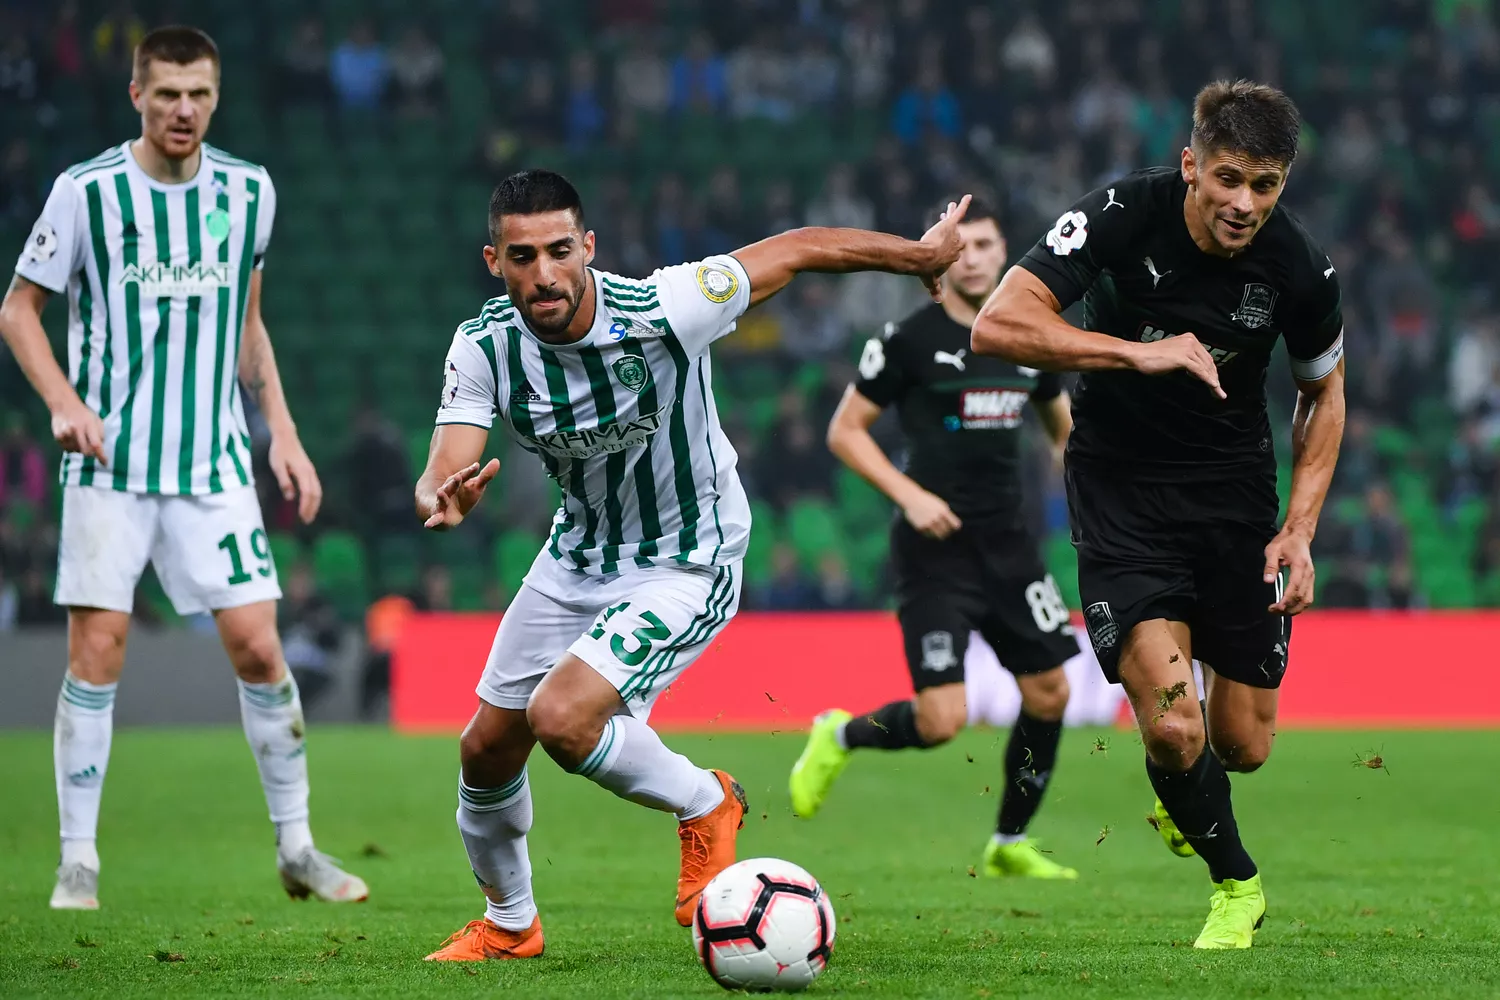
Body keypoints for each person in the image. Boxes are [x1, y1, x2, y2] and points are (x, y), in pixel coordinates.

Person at [416, 169, 967, 961]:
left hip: (687, 557)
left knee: (562, 719)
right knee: (483, 751)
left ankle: (707, 801)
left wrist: (916, 257)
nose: (544, 273)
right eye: (523, 256)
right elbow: (446, 463)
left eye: (560, 250)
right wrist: (443, 494)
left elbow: (801, 247)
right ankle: (510, 925)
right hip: (575, 556)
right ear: (493, 261)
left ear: (588, 247)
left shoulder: (667, 307)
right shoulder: (486, 346)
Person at [971, 80, 1346, 948]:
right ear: (1190, 166)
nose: (1243, 203)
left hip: (1234, 500)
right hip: (1121, 496)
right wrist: (1132, 355)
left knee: (1242, 746)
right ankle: (1237, 886)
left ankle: (1183, 790)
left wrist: (1299, 528)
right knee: (1177, 727)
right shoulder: (1118, 216)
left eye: (1264, 185)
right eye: (1227, 179)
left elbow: (1324, 393)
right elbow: (999, 324)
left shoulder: (1300, 267)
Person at [0, 26, 365, 910]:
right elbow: (17, 311)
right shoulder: (85, 192)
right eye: (166, 93)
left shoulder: (249, 192)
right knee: (98, 654)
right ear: (137, 95)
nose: (183, 109)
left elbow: (249, 323)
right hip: (111, 468)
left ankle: (297, 849)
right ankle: (78, 861)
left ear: (216, 96)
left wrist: (282, 430)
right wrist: (64, 403)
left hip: (214, 467)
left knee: (260, 648)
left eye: (199, 93)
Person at [788, 198, 1081, 881]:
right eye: (962, 246)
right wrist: (911, 496)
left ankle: (1009, 842)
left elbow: (1062, 433)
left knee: (1050, 693)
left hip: (1009, 545)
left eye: (986, 245)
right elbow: (845, 432)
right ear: (941, 256)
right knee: (943, 720)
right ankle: (840, 734)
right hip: (936, 553)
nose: (974, 258)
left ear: (1005, 253)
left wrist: (1089, 496)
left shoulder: (1030, 337)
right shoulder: (908, 340)